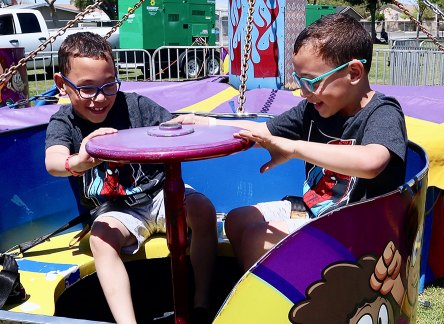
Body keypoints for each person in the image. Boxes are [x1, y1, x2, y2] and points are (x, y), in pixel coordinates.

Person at [172, 14, 407, 272]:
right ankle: (269, 289)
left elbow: (372, 162)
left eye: (311, 82)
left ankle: (276, 309)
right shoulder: (312, 110)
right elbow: (261, 133)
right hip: (315, 211)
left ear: (353, 73)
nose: (303, 92)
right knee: (237, 220)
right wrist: (209, 126)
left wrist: (294, 148)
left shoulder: (382, 112)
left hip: (356, 231)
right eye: (299, 80)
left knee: (255, 237)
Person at [45, 32, 217, 324]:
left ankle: (202, 305)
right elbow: (53, 163)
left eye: (109, 86)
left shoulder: (136, 106)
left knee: (202, 209)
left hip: (160, 194)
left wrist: (196, 124)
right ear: (62, 84)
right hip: (115, 210)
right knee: (101, 239)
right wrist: (81, 159)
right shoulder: (65, 122)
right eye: (87, 89)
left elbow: (172, 129)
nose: (100, 98)